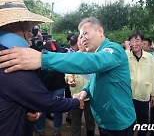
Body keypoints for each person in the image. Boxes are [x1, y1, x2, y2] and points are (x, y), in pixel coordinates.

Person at [0, 17, 136, 136]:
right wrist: (85, 91)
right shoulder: (98, 53)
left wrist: (43, 59)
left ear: (100, 31)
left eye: (85, 33)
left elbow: (93, 63)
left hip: (119, 121)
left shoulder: (113, 50)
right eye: (80, 36)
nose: (82, 39)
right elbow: (96, 78)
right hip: (105, 120)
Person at [0, 0, 81, 136]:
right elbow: (47, 101)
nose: (31, 35)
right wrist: (76, 101)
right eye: (29, 29)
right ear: (12, 24)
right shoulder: (11, 61)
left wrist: (27, 110)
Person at [124, 30, 154, 136]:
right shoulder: (125, 56)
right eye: (131, 41)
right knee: (128, 124)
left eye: (137, 40)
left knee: (143, 124)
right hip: (128, 97)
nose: (134, 43)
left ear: (143, 42)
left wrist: (153, 94)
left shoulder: (150, 57)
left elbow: (152, 76)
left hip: (143, 96)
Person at [35, 40, 67, 136]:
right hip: (58, 88)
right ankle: (57, 131)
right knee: (58, 110)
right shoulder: (62, 57)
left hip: (44, 89)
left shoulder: (40, 58)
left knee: (42, 110)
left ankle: (40, 130)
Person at [65, 37, 95, 136]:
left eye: (83, 41)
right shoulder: (73, 57)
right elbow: (68, 73)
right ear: (77, 44)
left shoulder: (93, 56)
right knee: (75, 121)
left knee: (90, 120)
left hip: (90, 96)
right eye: (79, 41)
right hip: (76, 95)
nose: (81, 43)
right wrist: (70, 79)